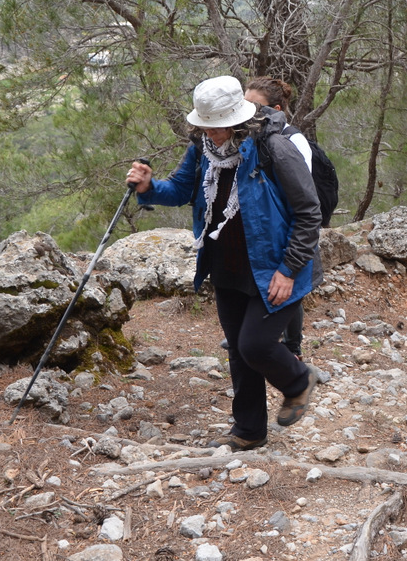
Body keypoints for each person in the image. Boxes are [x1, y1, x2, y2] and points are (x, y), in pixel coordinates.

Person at [127, 76, 320, 451]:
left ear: (237, 119)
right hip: (226, 264)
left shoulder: (273, 147)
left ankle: (299, 381)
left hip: (274, 266)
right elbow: (181, 189)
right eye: (205, 126)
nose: (210, 133)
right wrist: (149, 187)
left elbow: (308, 212)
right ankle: (249, 430)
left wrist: (289, 269)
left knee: (255, 345)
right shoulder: (202, 149)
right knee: (238, 350)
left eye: (217, 126)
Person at [244, 77, 313, 359]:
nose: (246, 112)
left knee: (289, 289)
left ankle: (292, 347)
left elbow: (303, 193)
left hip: (291, 229)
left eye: (254, 106)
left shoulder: (293, 141)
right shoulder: (252, 139)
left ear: (274, 109)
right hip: (268, 231)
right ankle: (253, 337)